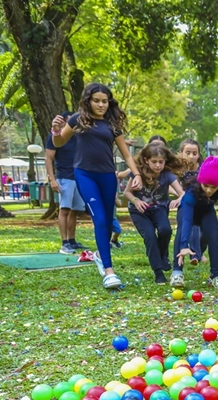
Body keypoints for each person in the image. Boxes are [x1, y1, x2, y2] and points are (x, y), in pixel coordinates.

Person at [50, 82, 142, 290]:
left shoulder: (112, 125)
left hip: (108, 176)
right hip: (85, 175)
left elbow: (126, 154)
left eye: (104, 101)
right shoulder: (77, 120)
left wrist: (136, 174)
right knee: (99, 218)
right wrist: (56, 131)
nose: (101, 105)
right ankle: (108, 271)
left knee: (108, 222)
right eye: (96, 101)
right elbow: (59, 142)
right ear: (88, 101)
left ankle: (101, 253)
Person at [123, 142, 185, 283]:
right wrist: (136, 201)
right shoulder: (137, 174)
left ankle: (163, 256)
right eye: (154, 162)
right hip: (139, 211)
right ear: (146, 160)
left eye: (161, 162)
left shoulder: (167, 175)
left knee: (165, 230)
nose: (158, 165)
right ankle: (158, 273)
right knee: (150, 237)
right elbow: (127, 193)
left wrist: (179, 199)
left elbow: (182, 193)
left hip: (159, 209)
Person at [172, 157, 218, 289]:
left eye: (213, 187)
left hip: (206, 212)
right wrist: (183, 245)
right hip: (187, 212)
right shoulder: (190, 195)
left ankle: (215, 276)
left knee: (213, 236)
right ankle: (177, 272)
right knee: (182, 230)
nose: (209, 190)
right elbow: (187, 221)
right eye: (206, 186)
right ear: (200, 182)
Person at [46, 111, 88, 254]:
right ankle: (64, 243)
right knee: (64, 210)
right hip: (64, 177)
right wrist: (52, 179)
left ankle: (72, 240)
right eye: (71, 121)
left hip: (79, 177)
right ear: (63, 122)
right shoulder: (54, 137)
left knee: (75, 211)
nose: (74, 124)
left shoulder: (78, 136)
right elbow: (49, 159)